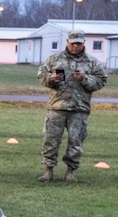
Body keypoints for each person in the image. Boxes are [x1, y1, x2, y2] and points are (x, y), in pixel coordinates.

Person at [36, 29, 108, 183]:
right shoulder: (54, 59)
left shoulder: (92, 62)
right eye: (73, 43)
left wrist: (84, 79)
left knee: (76, 141)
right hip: (57, 106)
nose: (76, 46)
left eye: (79, 44)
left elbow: (101, 80)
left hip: (79, 108)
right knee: (51, 139)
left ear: (83, 44)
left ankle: (70, 172)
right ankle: (48, 170)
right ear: (67, 42)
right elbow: (41, 75)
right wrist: (51, 79)